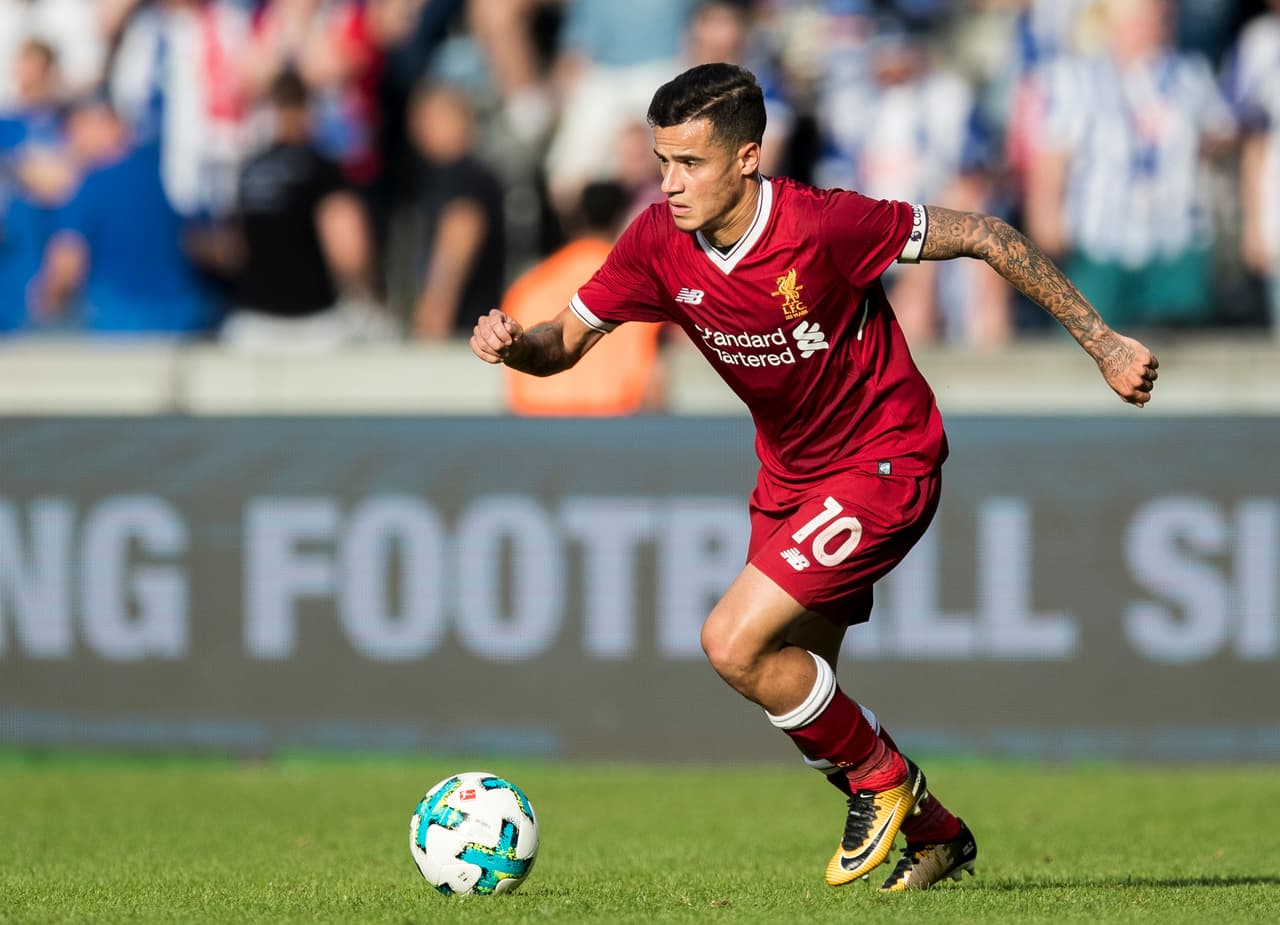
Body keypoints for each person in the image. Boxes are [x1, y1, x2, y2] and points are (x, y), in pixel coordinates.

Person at [470, 63, 1158, 891]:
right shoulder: (658, 241)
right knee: (797, 688)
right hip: (791, 479)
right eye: (661, 162)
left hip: (884, 456)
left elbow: (985, 233)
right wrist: (518, 346)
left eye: (690, 163)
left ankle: (888, 780)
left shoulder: (826, 226)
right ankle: (937, 832)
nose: (669, 183)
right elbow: (565, 342)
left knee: (731, 641)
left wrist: (1105, 343)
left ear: (749, 158)